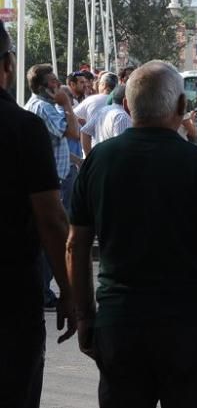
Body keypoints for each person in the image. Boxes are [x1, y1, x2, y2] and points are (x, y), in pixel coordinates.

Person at [68, 60, 197, 407]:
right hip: (190, 329)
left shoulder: (98, 161)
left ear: (127, 106)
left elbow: (75, 246)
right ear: (182, 107)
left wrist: (85, 315)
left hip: (120, 325)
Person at [0, 21, 76, 408]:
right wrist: (70, 289)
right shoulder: (22, 127)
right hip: (10, 294)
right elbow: (51, 218)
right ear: (8, 65)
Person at [25, 63, 81, 306]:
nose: (58, 85)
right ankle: (44, 291)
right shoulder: (44, 108)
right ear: (43, 86)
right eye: (54, 81)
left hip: (58, 176)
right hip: (50, 184)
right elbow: (72, 133)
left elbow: (53, 146)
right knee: (52, 235)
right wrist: (66, 103)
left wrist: (76, 160)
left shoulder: (45, 107)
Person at [80, 85, 131, 154]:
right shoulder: (122, 116)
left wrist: (89, 158)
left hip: (101, 161)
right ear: (126, 101)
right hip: (112, 163)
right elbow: (122, 148)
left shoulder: (103, 110)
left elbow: (84, 132)